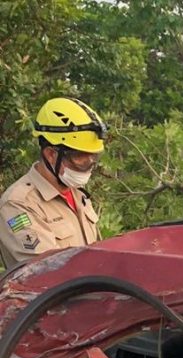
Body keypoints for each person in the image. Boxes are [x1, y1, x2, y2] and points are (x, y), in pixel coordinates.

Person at [0, 97, 105, 268]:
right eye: (79, 156)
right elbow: (50, 272)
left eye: (93, 156)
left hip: (91, 292)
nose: (88, 164)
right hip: (55, 294)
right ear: (50, 154)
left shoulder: (78, 195)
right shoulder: (18, 205)